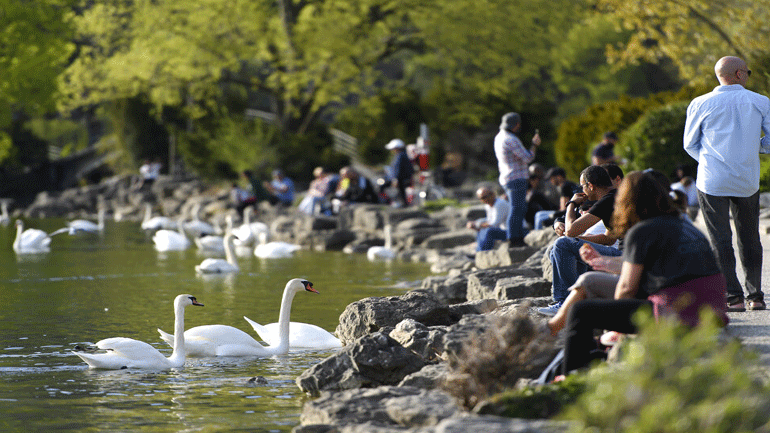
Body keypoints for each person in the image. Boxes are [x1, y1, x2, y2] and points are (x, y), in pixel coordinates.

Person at [560, 171, 728, 374]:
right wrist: (603, 262)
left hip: (677, 314)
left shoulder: (641, 232)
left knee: (581, 312)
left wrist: (618, 331)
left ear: (626, 200)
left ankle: (570, 378)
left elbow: (627, 289)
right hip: (714, 312)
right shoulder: (686, 227)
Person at [683, 55, 770, 311]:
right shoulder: (760, 101)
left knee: (720, 239)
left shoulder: (700, 103)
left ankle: (732, 297)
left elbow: (690, 143)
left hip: (712, 180)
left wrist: (710, 160)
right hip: (747, 178)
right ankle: (755, 295)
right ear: (740, 74)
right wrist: (756, 148)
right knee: (749, 236)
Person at [538, 165, 622, 316]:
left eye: (583, 185)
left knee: (562, 244)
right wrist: (577, 239)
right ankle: (579, 296)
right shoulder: (616, 196)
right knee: (558, 248)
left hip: (623, 257)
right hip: (621, 253)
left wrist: (571, 204)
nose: (582, 190)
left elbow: (571, 231)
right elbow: (609, 239)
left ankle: (566, 302)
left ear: (590, 185)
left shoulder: (607, 200)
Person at [493, 112, 541, 246]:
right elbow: (528, 158)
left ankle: (515, 237)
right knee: (517, 209)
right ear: (516, 125)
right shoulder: (511, 139)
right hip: (516, 178)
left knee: (517, 208)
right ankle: (514, 239)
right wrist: (534, 145)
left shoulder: (499, 137)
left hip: (507, 177)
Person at [467, 187, 510, 251]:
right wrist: (476, 223)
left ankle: (483, 252)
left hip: (510, 231)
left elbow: (494, 224)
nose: (485, 199)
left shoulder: (500, 204)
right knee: (480, 225)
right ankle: (479, 250)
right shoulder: (488, 206)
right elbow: (489, 220)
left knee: (489, 231)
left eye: (486, 196)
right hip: (503, 229)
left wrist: (477, 225)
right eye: (482, 198)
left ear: (493, 194)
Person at [385, 139, 415, 207]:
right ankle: (404, 205)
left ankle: (403, 206)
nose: (392, 150)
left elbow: (397, 169)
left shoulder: (400, 156)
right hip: (403, 179)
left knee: (401, 194)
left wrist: (395, 179)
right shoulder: (402, 155)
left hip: (401, 180)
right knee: (402, 194)